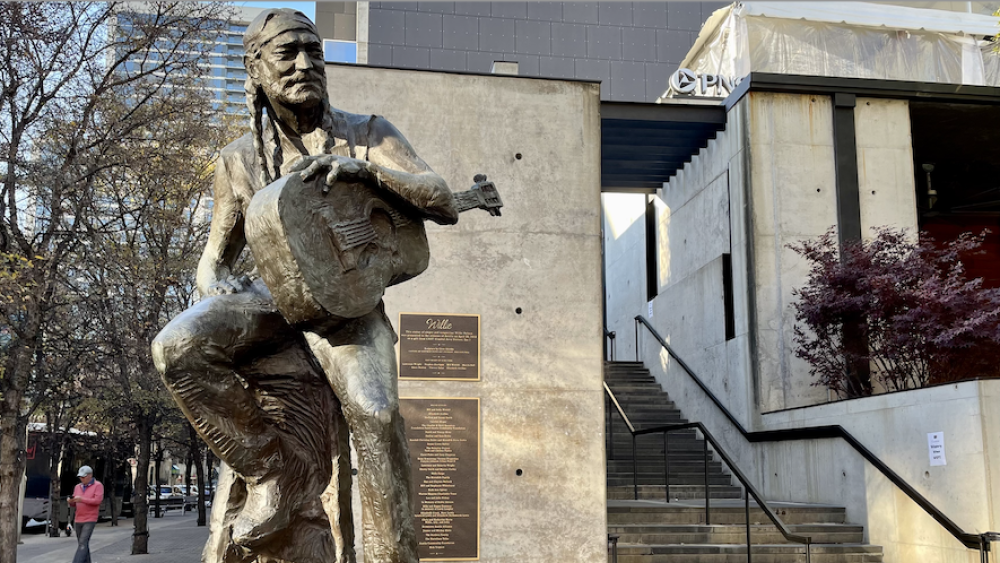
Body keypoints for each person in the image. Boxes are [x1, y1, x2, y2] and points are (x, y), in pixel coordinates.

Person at [151, 8, 458, 563]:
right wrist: (216, 285)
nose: (304, 64)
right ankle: (272, 472)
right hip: (270, 306)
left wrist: (371, 173)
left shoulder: (368, 133)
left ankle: (392, 556)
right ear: (256, 68)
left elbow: (439, 198)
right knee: (175, 347)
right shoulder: (238, 159)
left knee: (379, 413)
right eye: (287, 53)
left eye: (313, 52)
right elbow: (213, 261)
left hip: (347, 316)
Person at [67, 465, 103, 563]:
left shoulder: (98, 485)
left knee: (83, 543)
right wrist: (71, 501)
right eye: (80, 477)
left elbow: (97, 501)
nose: (81, 479)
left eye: (83, 477)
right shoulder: (77, 487)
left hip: (90, 518)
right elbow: (75, 503)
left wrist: (82, 499)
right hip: (78, 518)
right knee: (83, 544)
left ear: (90, 475)